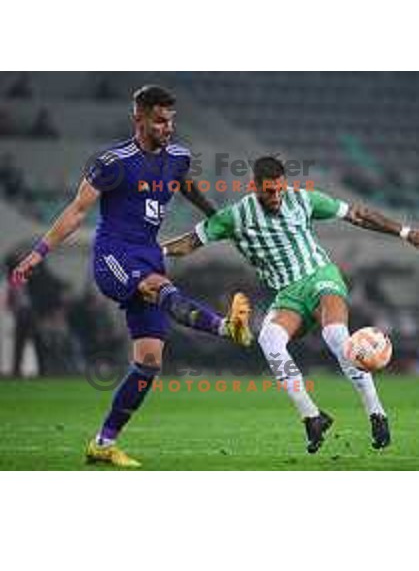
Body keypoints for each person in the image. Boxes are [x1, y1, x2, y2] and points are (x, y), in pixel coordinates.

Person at [11, 85, 253, 468]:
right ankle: (226, 328)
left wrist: (213, 214)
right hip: (113, 255)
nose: (167, 128)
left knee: (150, 361)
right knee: (160, 288)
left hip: (149, 253)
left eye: (171, 121)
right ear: (138, 119)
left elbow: (183, 182)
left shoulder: (178, 157)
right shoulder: (113, 162)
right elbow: (76, 211)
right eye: (159, 121)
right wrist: (38, 254)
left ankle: (103, 443)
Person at [162, 156, 419, 453]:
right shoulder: (235, 216)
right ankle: (312, 417)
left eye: (280, 189)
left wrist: (406, 232)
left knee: (336, 335)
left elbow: (358, 215)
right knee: (269, 340)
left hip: (321, 277)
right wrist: (154, 253)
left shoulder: (303, 199)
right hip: (288, 295)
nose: (276, 197)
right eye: (269, 191)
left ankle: (376, 413)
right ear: (254, 187)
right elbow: (190, 242)